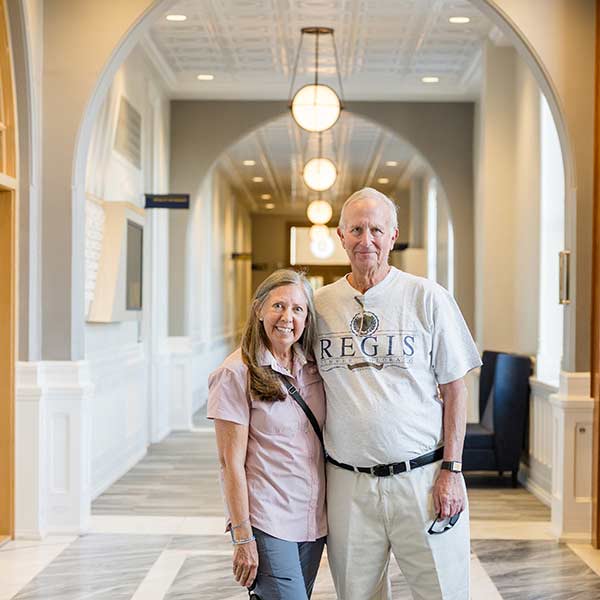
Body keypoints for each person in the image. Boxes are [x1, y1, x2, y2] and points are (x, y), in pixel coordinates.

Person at [315, 187, 481, 600]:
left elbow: (455, 389)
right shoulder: (318, 305)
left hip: (423, 481)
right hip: (347, 484)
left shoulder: (428, 297)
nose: (365, 239)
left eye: (376, 229)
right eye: (356, 229)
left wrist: (452, 471)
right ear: (341, 235)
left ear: (393, 236)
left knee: (443, 592)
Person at [207, 269, 326, 599]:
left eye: (298, 309)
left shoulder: (312, 366)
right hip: (268, 520)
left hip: (313, 518)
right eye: (278, 306)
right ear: (258, 309)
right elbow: (229, 465)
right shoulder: (234, 373)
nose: (287, 317)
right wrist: (243, 537)